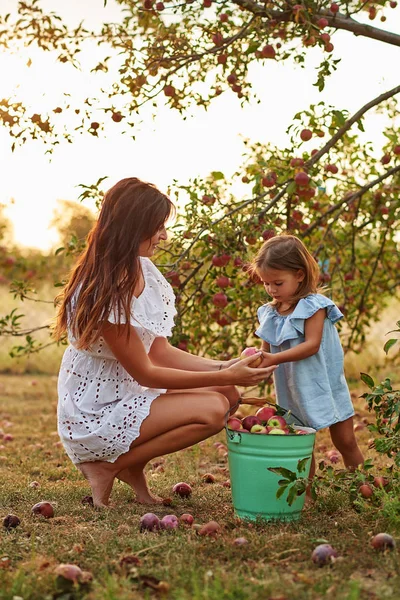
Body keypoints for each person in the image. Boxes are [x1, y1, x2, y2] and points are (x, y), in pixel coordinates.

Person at [54, 177, 276, 508]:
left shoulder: (142, 269)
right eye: (157, 227)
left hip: (127, 392)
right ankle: (109, 466)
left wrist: (227, 367)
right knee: (214, 408)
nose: (164, 236)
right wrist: (227, 376)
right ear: (133, 227)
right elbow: (147, 371)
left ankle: (131, 468)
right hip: (96, 411)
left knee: (229, 395)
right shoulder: (107, 287)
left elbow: (158, 350)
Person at [249, 234, 364, 480]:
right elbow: (265, 352)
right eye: (266, 283)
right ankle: (305, 495)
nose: (271, 289)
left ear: (299, 275)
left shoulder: (314, 307)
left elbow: (311, 346)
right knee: (300, 446)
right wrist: (254, 363)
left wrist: (273, 360)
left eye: (278, 283)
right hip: (291, 389)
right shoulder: (269, 313)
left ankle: (364, 486)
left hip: (324, 383)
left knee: (345, 440)